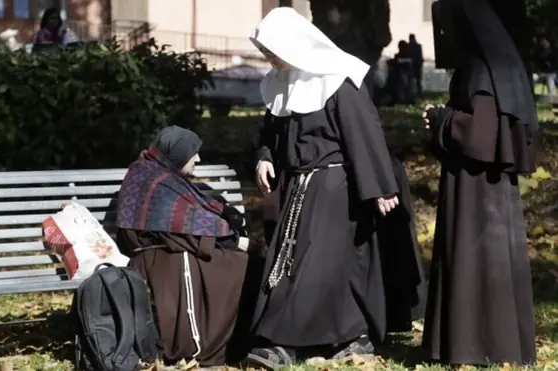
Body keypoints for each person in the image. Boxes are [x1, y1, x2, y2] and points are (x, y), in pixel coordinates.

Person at [245, 7, 426, 369]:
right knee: (299, 263)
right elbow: (272, 133)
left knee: (321, 266)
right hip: (298, 188)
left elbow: (364, 133)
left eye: (272, 51)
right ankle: (324, 337)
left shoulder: (337, 80)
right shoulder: (285, 83)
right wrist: (265, 157)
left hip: (335, 189)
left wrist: (379, 188)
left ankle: (293, 340)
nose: (269, 59)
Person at [422, 0, 538, 366]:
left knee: (473, 259)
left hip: (475, 187)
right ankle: (497, 345)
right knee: (494, 263)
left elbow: (479, 134)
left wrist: (441, 118)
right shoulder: (497, 69)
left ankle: (469, 345)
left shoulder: (478, 71)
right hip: (491, 188)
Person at [115, 126, 251, 367]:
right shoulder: (155, 180)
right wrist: (234, 240)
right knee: (239, 265)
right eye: (193, 152)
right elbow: (179, 226)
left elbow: (188, 221)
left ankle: (237, 341)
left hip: (176, 250)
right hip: (161, 259)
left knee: (244, 262)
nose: (198, 158)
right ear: (178, 153)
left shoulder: (158, 174)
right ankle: (212, 345)